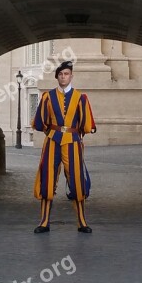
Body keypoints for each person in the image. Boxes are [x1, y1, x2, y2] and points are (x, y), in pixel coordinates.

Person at [31, 61, 96, 234]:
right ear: (57, 77)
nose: (63, 76)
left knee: (76, 181)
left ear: (71, 76)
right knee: (47, 179)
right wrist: (52, 131)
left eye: (66, 74)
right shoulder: (47, 97)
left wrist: (76, 135)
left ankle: (82, 222)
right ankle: (44, 222)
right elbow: (40, 122)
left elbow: (86, 125)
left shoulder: (81, 98)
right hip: (52, 140)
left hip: (73, 142)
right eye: (60, 74)